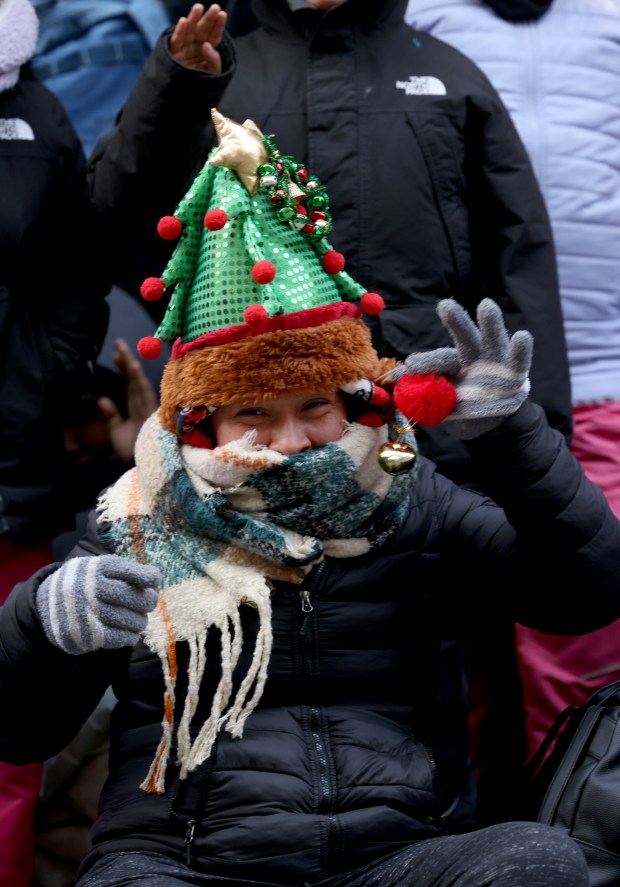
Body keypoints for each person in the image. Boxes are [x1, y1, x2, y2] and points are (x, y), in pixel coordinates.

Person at [0, 109, 619, 887]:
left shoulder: (412, 494)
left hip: (395, 856)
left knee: (540, 860)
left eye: (316, 409)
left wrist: (511, 435)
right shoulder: (136, 517)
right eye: (255, 412)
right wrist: (42, 623)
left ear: (357, 403)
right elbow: (19, 731)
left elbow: (589, 591)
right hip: (184, 865)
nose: (290, 439)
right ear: (204, 418)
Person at [404, 0, 620, 763]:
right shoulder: (423, 21)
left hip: (605, 378)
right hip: (487, 391)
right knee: (552, 651)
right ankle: (569, 832)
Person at [0, 0, 111, 883]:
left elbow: (77, 269)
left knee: (9, 741)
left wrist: (47, 371)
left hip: (10, 466)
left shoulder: (36, 111)